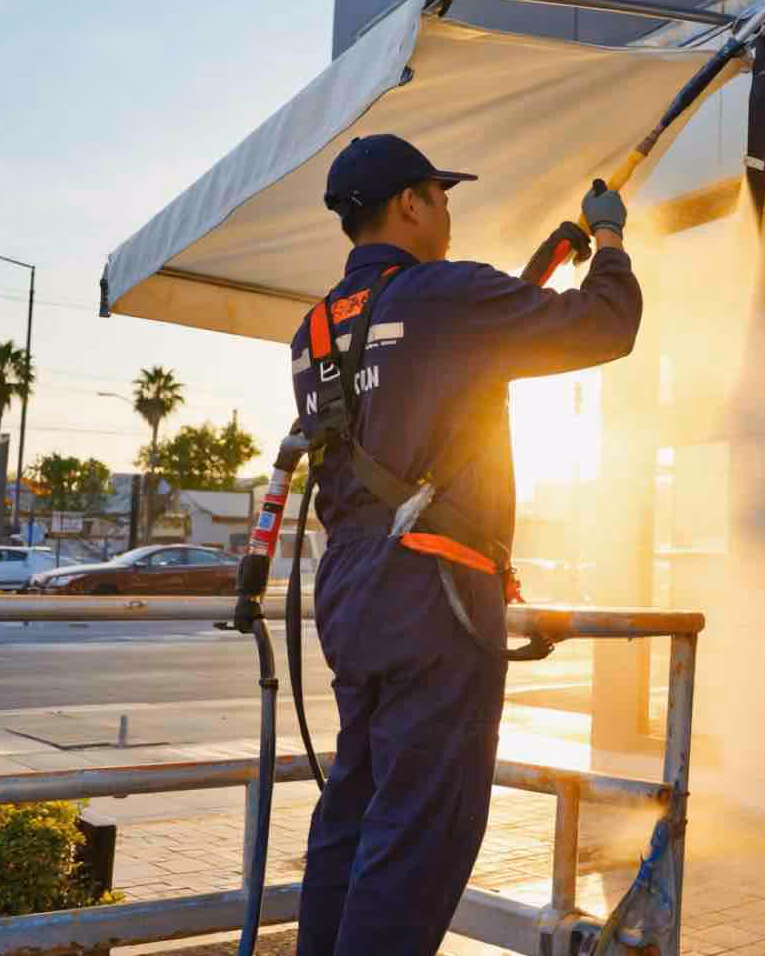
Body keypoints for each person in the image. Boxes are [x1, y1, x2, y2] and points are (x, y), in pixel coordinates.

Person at [291, 133, 642, 956]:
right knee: (421, 832)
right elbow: (604, 325)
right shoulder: (445, 295)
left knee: (358, 808)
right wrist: (612, 239)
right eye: (441, 197)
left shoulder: (311, 332)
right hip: (435, 591)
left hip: (350, 587)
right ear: (411, 203)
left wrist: (537, 272)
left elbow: (429, 379)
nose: (449, 212)